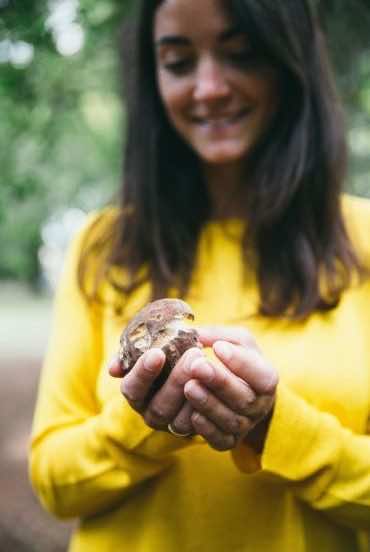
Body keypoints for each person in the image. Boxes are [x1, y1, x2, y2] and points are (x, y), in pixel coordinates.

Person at [29, 0, 370, 550]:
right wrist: (144, 425)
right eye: (179, 62)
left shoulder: (364, 239)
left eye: (241, 54)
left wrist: (271, 427)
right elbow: (53, 481)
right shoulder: (102, 247)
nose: (209, 87)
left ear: (292, 61)